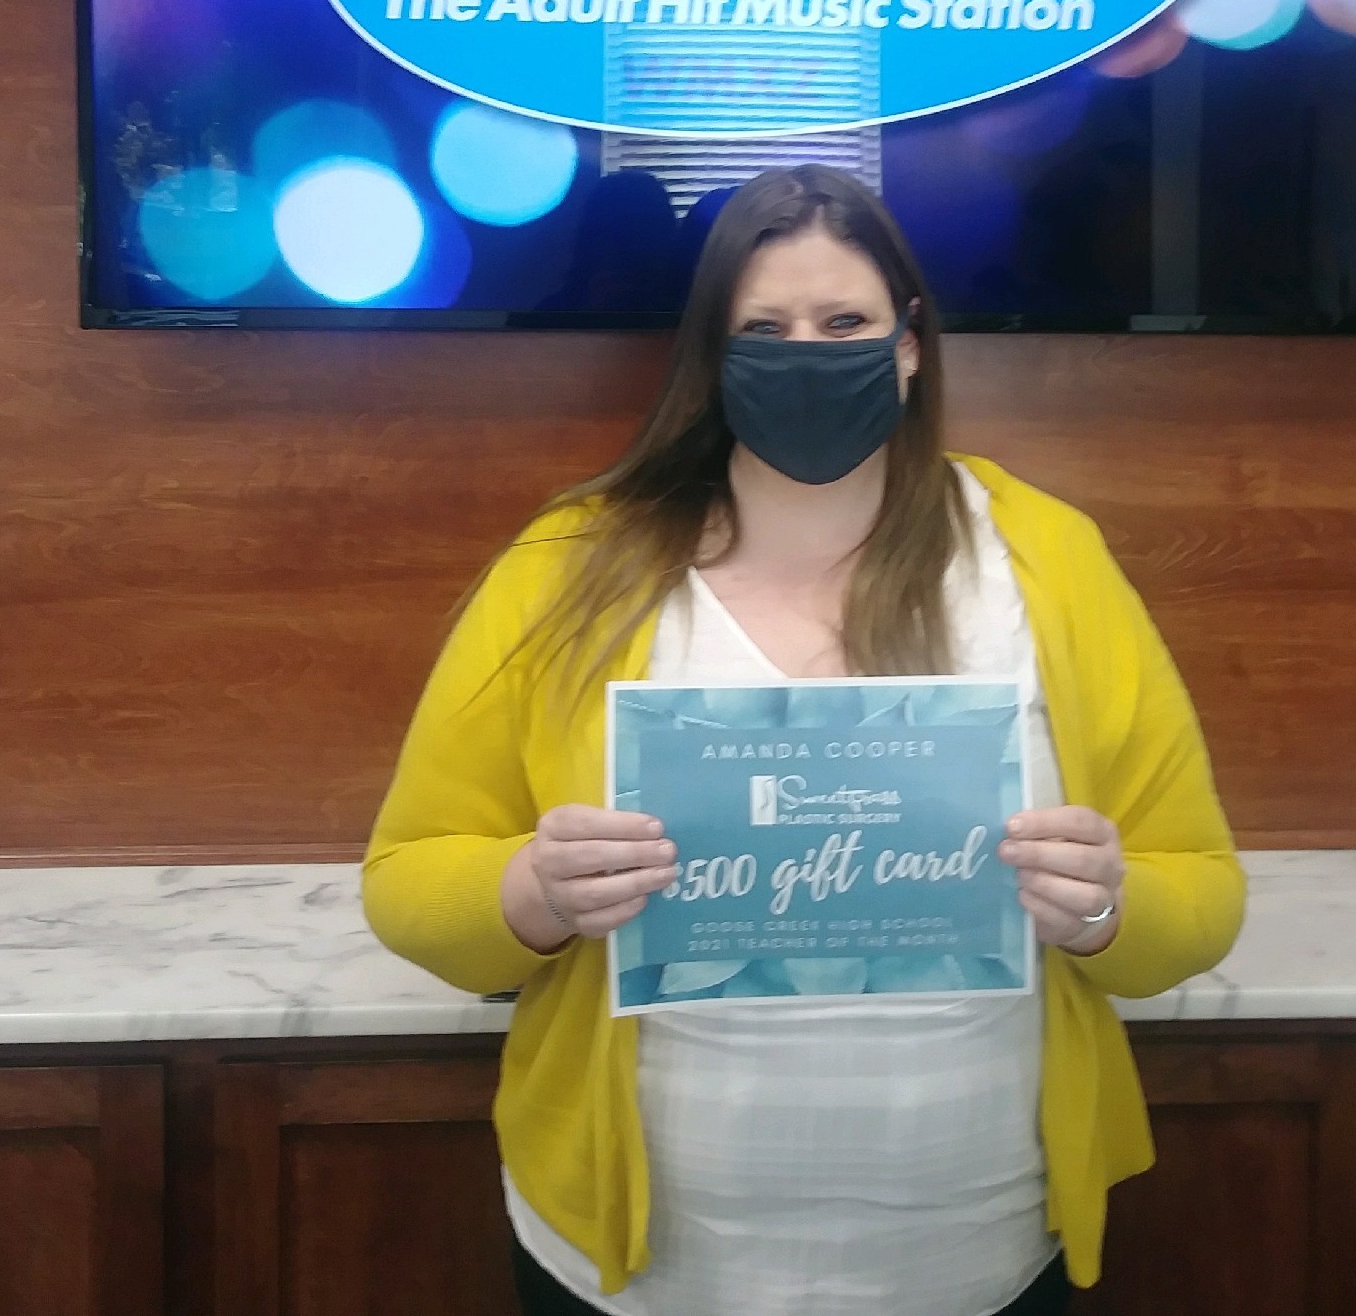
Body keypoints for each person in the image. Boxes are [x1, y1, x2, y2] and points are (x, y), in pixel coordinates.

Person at [363, 165, 1244, 1316]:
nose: (808, 354)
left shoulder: (1047, 559)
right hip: (645, 1271)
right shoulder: (568, 567)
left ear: (910, 344)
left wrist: (1105, 909)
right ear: (713, 358)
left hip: (980, 1255)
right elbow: (407, 880)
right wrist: (532, 890)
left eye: (844, 324)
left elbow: (1202, 894)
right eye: (764, 330)